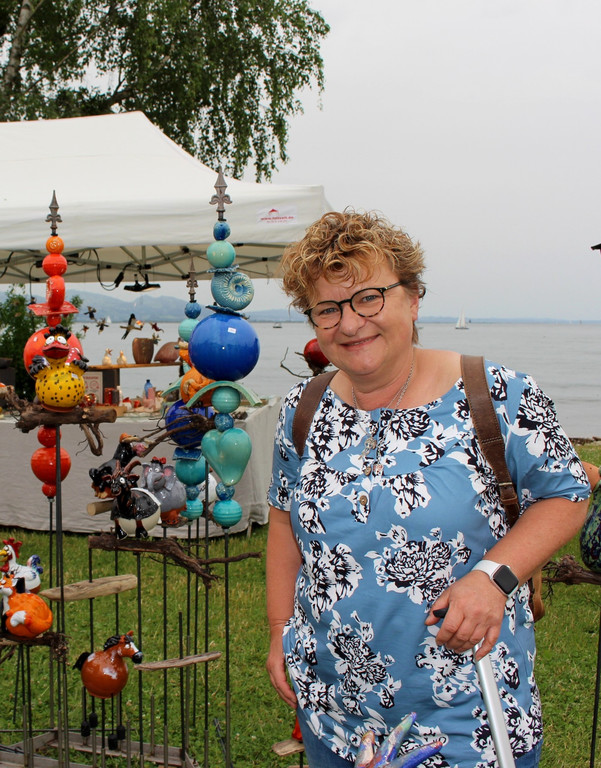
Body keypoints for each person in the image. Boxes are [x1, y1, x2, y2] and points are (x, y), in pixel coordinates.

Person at [266, 210, 591, 768]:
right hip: (334, 718)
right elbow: (283, 520)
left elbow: (567, 493)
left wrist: (493, 577)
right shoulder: (304, 407)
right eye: (328, 308)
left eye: (369, 297)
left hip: (467, 720)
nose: (350, 323)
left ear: (413, 298)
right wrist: (279, 629)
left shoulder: (497, 393)